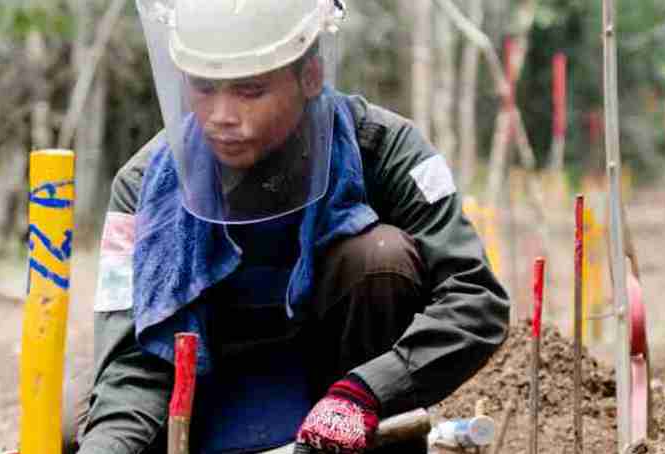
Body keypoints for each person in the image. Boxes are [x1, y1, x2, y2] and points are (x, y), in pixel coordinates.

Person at [73, 0, 509, 452]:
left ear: (310, 77)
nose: (221, 115)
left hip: (340, 389)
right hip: (205, 387)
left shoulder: (384, 148)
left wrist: (369, 390)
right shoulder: (146, 184)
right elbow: (132, 361)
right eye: (203, 88)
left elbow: (476, 300)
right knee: (77, 427)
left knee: (380, 257)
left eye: (249, 90)